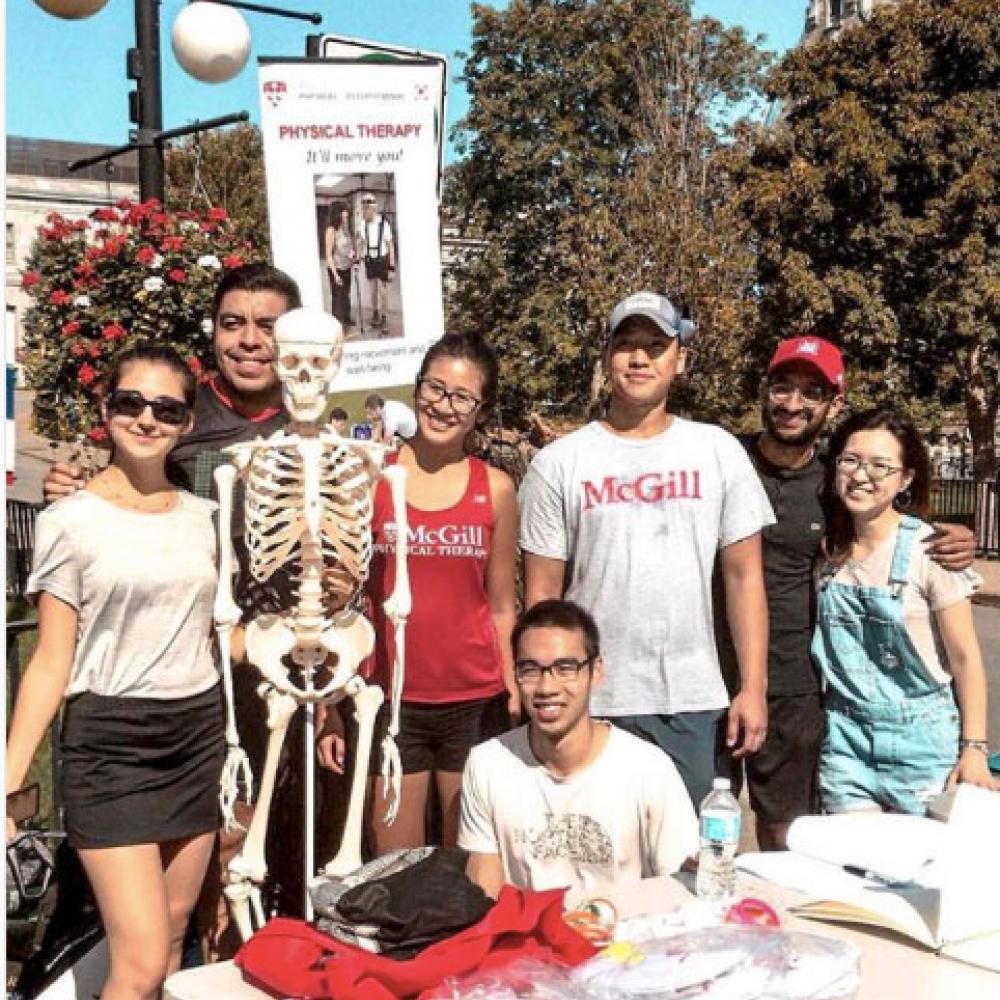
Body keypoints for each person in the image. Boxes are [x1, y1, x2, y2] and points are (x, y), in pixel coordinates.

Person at [41, 264, 310, 952]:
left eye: (269, 327)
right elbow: (113, 499)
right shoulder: (178, 417)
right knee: (180, 890)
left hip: (281, 671)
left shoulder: (317, 426)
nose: (250, 341)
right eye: (232, 324)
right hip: (178, 684)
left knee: (269, 856)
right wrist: (68, 488)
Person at [7, 342, 224, 1000]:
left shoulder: (205, 517)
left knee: (176, 931)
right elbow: (50, 658)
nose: (148, 419)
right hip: (111, 743)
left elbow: (225, 634)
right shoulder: (70, 522)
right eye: (131, 402)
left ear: (187, 422)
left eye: (167, 408)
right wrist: (8, 779)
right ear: (107, 408)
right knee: (139, 962)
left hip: (196, 735)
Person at [716, 336, 979, 848]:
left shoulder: (832, 486)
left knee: (790, 838)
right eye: (783, 387)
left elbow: (886, 516)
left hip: (798, 689)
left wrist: (954, 538)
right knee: (701, 827)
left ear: (834, 403)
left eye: (811, 392)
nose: (793, 403)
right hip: (707, 679)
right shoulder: (723, 460)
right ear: (764, 390)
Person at [519, 291, 774, 811]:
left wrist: (753, 688)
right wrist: (542, 684)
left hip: (696, 702)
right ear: (606, 355)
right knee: (590, 855)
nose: (639, 359)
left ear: (680, 359)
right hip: (590, 699)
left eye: (655, 346)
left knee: (692, 861)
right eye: (626, 345)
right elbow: (542, 593)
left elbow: (745, 579)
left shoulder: (717, 451)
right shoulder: (560, 462)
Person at [318, 333, 518, 852]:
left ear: (479, 411)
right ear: (417, 389)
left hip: (474, 701)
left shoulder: (495, 488)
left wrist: (513, 690)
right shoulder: (369, 478)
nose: (443, 406)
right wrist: (331, 704)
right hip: (387, 700)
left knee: (468, 868)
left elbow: (501, 605)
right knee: (396, 870)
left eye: (461, 397)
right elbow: (337, 601)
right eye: (435, 388)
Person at [812, 408, 999, 815]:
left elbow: (966, 659)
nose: (862, 476)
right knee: (851, 868)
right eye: (851, 461)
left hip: (924, 744)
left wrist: (974, 749)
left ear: (906, 479)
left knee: (923, 870)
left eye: (881, 466)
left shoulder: (930, 551)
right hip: (846, 741)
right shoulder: (825, 549)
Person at [457, 600, 698, 898]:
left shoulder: (648, 768)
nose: (547, 687)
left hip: (623, 937)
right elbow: (484, 889)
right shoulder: (487, 764)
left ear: (595, 671)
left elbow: (679, 884)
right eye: (530, 670)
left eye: (565, 668)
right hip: (526, 938)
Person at [356, 193, 395, 331]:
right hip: (369, 261)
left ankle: (384, 316)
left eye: (367, 208)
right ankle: (375, 313)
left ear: (373, 208)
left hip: (382, 261)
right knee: (372, 291)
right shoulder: (362, 224)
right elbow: (360, 242)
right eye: (363, 208)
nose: (365, 211)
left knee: (383, 292)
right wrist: (357, 259)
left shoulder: (383, 224)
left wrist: (391, 267)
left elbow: (390, 245)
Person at [324, 201, 355, 329]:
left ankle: (346, 318)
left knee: (346, 294)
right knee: (337, 297)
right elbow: (328, 255)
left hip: (347, 267)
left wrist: (353, 258)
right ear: (338, 213)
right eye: (344, 211)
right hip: (336, 268)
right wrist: (335, 275)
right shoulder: (331, 230)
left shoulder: (345, 228)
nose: (347, 214)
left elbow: (349, 247)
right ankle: (337, 324)